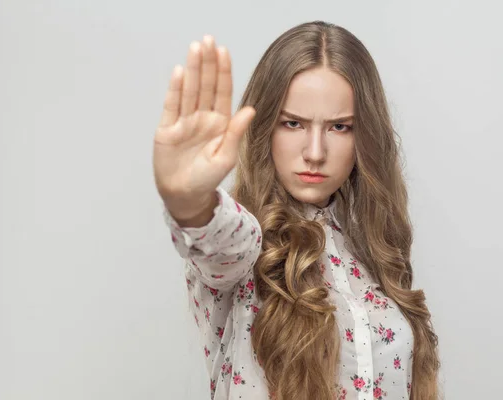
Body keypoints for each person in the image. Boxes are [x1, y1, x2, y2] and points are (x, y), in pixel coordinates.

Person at [153, 20, 440, 400]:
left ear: (364, 136)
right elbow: (217, 237)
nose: (315, 152)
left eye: (339, 127)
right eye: (293, 123)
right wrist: (188, 200)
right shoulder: (248, 245)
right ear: (265, 127)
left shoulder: (373, 250)